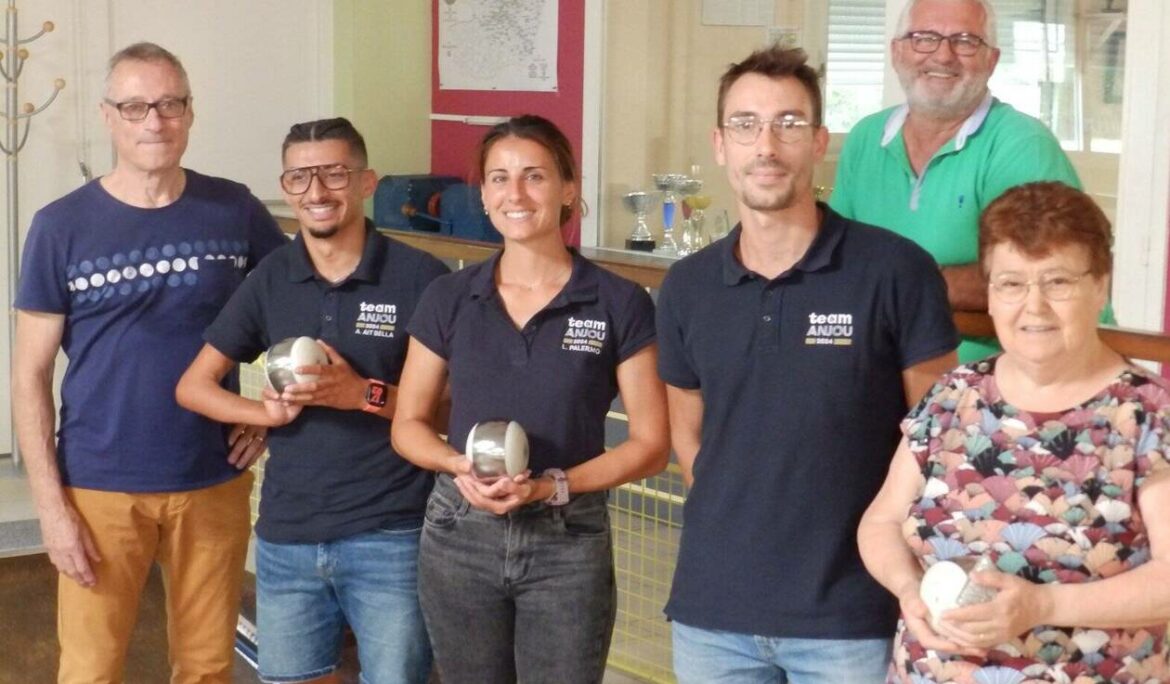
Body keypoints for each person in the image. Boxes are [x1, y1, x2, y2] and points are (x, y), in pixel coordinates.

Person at [656, 46, 960, 683]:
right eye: (745, 124)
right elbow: (687, 432)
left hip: (849, 617)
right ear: (720, 144)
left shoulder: (896, 272)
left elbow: (939, 439)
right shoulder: (687, 287)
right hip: (714, 615)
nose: (766, 145)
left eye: (789, 123)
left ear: (820, 141)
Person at [11, 42, 285, 683]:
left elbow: (296, 312)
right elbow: (28, 376)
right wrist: (51, 509)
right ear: (109, 117)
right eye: (135, 107)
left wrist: (267, 412)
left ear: (190, 112)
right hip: (99, 485)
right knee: (92, 669)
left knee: (208, 666)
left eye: (168, 104)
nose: (153, 122)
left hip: (214, 479)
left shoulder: (235, 210)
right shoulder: (61, 226)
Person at [390, 114, 669, 684]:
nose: (514, 194)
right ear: (484, 194)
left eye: (534, 176)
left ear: (568, 189)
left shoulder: (618, 303)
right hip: (459, 531)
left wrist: (553, 486)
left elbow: (651, 445)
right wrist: (457, 466)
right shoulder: (449, 296)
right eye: (498, 178)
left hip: (567, 539)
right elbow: (409, 424)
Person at [858, 181, 1170, 683]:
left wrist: (1043, 604)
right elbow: (881, 524)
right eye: (1011, 283)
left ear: (1101, 286)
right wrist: (908, 590)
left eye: (1057, 282)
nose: (1034, 306)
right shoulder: (953, 395)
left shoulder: (1147, 414)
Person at [175, 117, 446, 684]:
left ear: (367, 182)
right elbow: (193, 386)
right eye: (300, 178)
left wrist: (360, 394)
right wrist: (262, 414)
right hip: (287, 538)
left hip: (392, 535)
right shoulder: (272, 277)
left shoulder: (421, 278)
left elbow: (451, 410)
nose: (316, 193)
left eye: (333, 174)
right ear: (285, 186)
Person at [829, 0, 1093, 362]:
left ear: (992, 60)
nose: (943, 55)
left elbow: (1049, 280)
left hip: (1010, 386)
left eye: (966, 41)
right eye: (924, 38)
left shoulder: (1022, 146)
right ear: (897, 52)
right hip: (885, 374)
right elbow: (839, 259)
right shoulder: (865, 138)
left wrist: (904, 284)